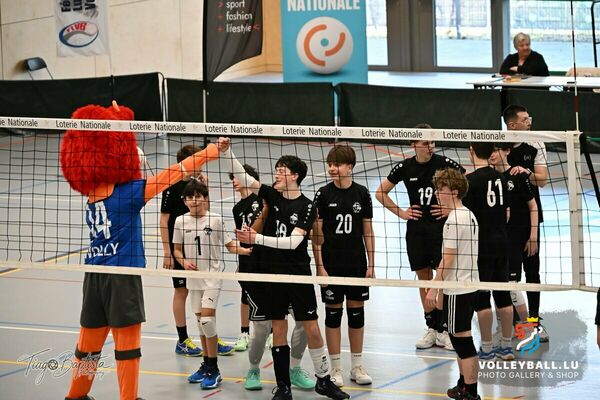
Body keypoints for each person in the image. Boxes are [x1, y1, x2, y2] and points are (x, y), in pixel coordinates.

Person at [61, 102, 220, 400]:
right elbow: (175, 172)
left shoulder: (91, 195)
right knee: (127, 343)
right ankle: (129, 397)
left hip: (93, 274)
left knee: (88, 343)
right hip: (122, 277)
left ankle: (75, 395)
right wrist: (212, 151)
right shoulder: (130, 194)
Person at [222, 138, 350, 400]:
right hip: (273, 274)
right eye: (276, 171)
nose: (277, 175)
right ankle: (283, 387)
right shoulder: (271, 196)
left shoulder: (307, 206)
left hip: (298, 275)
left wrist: (256, 238)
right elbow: (244, 178)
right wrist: (227, 152)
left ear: (295, 176)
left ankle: (324, 380)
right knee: (278, 329)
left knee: (311, 327)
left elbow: (294, 242)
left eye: (282, 171)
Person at [375, 125, 464, 351]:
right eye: (425, 143)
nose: (430, 146)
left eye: (433, 142)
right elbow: (380, 192)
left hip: (441, 229)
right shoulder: (405, 167)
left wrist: (451, 208)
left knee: (442, 278)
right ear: (413, 144)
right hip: (416, 230)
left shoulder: (444, 163)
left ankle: (444, 329)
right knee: (423, 277)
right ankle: (431, 327)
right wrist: (401, 213)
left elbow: (466, 184)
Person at [230, 169, 315, 392]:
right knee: (261, 329)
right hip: (259, 273)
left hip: (287, 272)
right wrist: (265, 210)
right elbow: (250, 238)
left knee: (304, 323)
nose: (235, 182)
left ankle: (294, 368)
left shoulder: (288, 202)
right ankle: (253, 369)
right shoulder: (247, 206)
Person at [173, 179, 251, 390]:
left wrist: (246, 250)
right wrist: (183, 262)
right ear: (185, 201)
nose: (194, 201)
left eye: (198, 196)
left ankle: (214, 369)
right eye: (190, 197)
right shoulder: (180, 221)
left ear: (206, 199)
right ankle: (206, 364)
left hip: (213, 277)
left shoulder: (215, 220)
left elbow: (230, 245)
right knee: (201, 324)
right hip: (193, 278)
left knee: (207, 321)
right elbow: (177, 249)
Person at [312, 145, 375, 387]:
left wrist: (371, 264)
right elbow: (316, 236)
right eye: (330, 164)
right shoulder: (323, 194)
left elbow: (368, 230)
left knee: (357, 312)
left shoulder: (362, 193)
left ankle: (357, 366)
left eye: (337, 164)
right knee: (333, 314)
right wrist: (320, 267)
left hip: (356, 263)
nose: (332, 168)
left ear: (350, 167)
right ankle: (336, 368)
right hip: (331, 263)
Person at [426, 168, 481, 400]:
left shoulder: (454, 219)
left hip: (458, 288)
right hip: (468, 285)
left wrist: (434, 287)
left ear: (455, 191)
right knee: (459, 338)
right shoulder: (468, 214)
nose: (437, 193)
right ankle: (463, 385)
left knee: (462, 340)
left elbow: (447, 259)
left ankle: (471, 391)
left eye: (441, 189)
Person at [462, 142, 514, 361]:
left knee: (482, 299)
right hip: (501, 243)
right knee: (503, 296)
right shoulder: (500, 177)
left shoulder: (470, 181)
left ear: (471, 151)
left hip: (481, 247)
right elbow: (507, 213)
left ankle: (487, 347)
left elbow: (464, 216)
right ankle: (507, 346)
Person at [503, 105, 549, 342]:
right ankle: (512, 322)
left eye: (529, 117)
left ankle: (534, 320)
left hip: (531, 216)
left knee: (532, 271)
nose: (529, 121)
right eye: (524, 118)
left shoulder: (536, 143)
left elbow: (542, 180)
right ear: (513, 125)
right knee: (508, 275)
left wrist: (525, 172)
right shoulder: (500, 145)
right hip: (506, 221)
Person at [160, 144, 205, 357]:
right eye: (198, 160)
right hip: (178, 248)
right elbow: (164, 220)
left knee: (202, 290)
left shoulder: (197, 184)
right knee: (182, 291)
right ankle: (182, 340)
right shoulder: (171, 185)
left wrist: (206, 188)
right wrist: (167, 252)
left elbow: (205, 213)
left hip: (197, 247)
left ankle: (209, 335)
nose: (202, 164)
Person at [489, 143, 539, 322]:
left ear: (507, 151)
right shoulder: (490, 178)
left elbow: (533, 206)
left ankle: (531, 322)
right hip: (502, 239)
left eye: (496, 150)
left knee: (523, 279)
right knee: (502, 285)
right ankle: (509, 325)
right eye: (490, 151)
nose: (492, 154)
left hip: (521, 236)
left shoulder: (517, 175)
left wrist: (533, 236)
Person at [230, 164, 261, 352]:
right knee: (245, 295)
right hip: (246, 256)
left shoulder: (261, 201)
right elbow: (241, 237)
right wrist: (241, 260)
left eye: (236, 177)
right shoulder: (237, 209)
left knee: (267, 293)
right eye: (232, 178)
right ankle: (244, 333)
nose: (233, 181)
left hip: (263, 254)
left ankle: (271, 333)